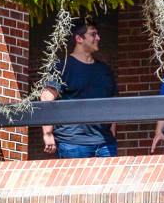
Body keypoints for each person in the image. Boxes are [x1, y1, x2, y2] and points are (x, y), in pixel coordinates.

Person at [38, 20, 117, 158]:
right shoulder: (62, 67)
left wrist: (112, 132)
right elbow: (46, 98)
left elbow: (112, 103)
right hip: (73, 143)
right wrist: (48, 133)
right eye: (93, 34)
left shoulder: (104, 70)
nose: (98, 38)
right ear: (79, 38)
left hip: (105, 143)